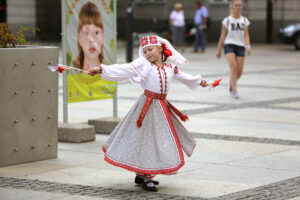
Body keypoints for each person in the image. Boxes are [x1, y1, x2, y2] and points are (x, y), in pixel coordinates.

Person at [87, 35, 209, 192]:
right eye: (144, 51)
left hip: (161, 107)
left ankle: (142, 173)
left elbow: (186, 78)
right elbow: (124, 69)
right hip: (147, 106)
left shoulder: (170, 68)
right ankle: (146, 176)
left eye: (150, 49)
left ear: (160, 49)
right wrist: (101, 69)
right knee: (148, 140)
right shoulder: (143, 66)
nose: (147, 54)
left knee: (154, 139)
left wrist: (200, 81)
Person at [216, 0, 251, 99]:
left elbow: (246, 35)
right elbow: (222, 36)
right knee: (233, 66)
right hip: (229, 45)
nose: (238, 7)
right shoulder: (227, 20)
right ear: (232, 7)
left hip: (240, 46)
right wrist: (219, 49)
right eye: (236, 5)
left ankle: (232, 83)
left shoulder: (244, 20)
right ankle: (234, 90)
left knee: (239, 72)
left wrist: (248, 46)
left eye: (240, 5)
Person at [73, 2, 104, 71]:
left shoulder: (109, 69)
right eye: (86, 33)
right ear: (79, 38)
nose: (91, 39)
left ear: (103, 37)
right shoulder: (72, 69)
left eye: (96, 32)